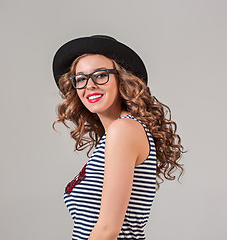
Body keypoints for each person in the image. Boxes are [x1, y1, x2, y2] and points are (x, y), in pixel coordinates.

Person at [51, 35, 184, 240]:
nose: (90, 85)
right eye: (80, 79)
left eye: (100, 75)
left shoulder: (124, 130)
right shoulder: (117, 133)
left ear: (121, 79)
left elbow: (108, 230)